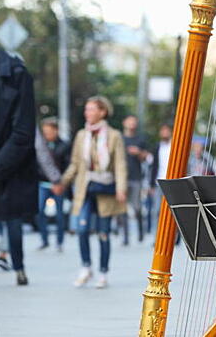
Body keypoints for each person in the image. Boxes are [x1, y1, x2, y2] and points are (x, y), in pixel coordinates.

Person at [59, 96, 127, 288]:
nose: (87, 113)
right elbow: (75, 163)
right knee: (81, 230)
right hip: (85, 188)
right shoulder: (82, 135)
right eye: (86, 109)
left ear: (102, 112)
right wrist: (63, 182)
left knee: (103, 233)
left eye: (91, 109)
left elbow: (120, 164)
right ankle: (86, 267)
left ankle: (103, 272)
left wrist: (121, 189)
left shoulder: (114, 135)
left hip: (105, 188)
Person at [0, 47, 37, 285]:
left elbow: (24, 134)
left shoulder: (16, 73)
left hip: (9, 170)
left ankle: (18, 266)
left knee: (12, 223)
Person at [35, 117, 71, 252]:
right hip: (43, 183)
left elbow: (68, 165)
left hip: (59, 184)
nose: (47, 134)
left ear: (56, 130)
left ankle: (59, 241)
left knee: (60, 214)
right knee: (39, 211)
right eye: (45, 132)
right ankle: (44, 240)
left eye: (49, 131)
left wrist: (61, 182)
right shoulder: (40, 145)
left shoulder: (65, 145)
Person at [117, 115, 148, 245]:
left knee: (136, 207)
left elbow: (146, 157)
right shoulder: (119, 139)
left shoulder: (140, 139)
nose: (131, 124)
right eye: (129, 121)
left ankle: (141, 232)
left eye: (134, 122)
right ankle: (125, 237)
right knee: (122, 208)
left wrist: (138, 153)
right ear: (124, 123)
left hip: (136, 177)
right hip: (121, 178)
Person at [150, 123, 172, 234]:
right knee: (157, 210)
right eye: (162, 131)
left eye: (166, 131)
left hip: (172, 182)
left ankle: (172, 236)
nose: (164, 133)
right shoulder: (157, 146)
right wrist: (151, 185)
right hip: (159, 182)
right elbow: (154, 166)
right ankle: (158, 236)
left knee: (172, 211)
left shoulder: (175, 146)